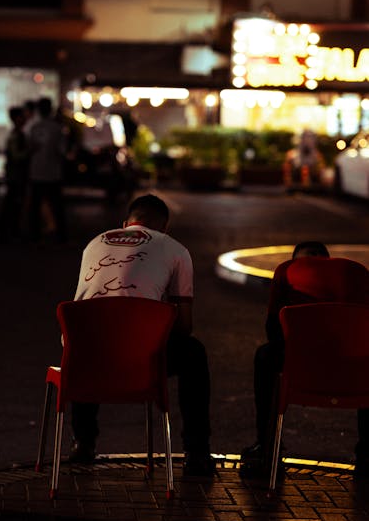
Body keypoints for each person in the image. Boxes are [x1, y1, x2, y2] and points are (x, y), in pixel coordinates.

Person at [69, 193, 215, 476]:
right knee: (194, 353)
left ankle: (84, 442)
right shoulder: (175, 250)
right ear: (164, 228)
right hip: (140, 357)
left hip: (84, 354)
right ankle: (197, 452)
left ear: (125, 224)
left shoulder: (94, 243)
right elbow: (185, 326)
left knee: (94, 333)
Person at [241, 241, 369, 475]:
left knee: (265, 356)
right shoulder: (357, 272)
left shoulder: (286, 270)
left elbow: (273, 329)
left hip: (302, 367)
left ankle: (268, 448)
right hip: (354, 370)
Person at [26, 96, 67, 243]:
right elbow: (62, 151)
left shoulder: (34, 128)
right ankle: (61, 235)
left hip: (36, 172)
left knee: (35, 206)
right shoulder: (57, 128)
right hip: (53, 173)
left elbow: (29, 149)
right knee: (56, 205)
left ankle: (34, 234)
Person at [0, 106, 29, 243]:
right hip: (16, 175)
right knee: (13, 204)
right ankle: (9, 232)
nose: (24, 119)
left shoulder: (17, 134)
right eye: (21, 116)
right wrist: (31, 150)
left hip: (14, 174)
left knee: (12, 204)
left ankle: (8, 232)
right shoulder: (16, 135)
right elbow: (17, 156)